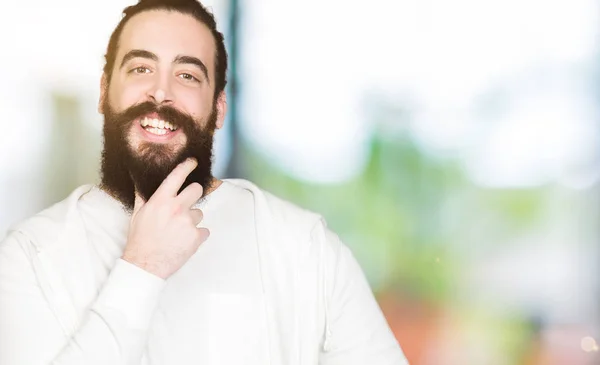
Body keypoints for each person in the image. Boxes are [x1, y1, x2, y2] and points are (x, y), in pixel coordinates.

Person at [0, 0, 408, 364]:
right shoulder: (30, 254)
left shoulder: (305, 248)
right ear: (104, 91)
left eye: (188, 76)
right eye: (141, 68)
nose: (161, 92)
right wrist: (143, 267)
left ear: (219, 110)